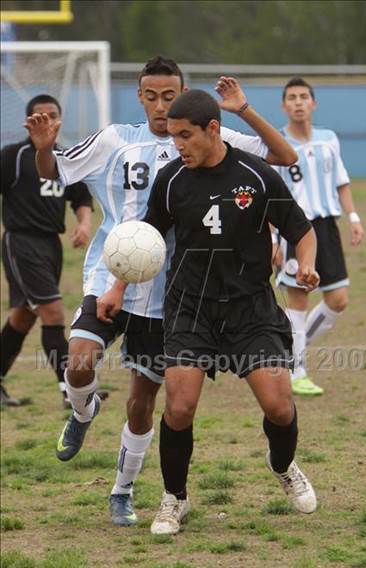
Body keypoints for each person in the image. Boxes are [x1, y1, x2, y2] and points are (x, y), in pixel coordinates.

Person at [25, 56, 298, 526]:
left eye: (168, 96)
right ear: (139, 96)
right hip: (110, 274)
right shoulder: (114, 139)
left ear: (183, 96)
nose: (159, 105)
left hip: (169, 291)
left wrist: (243, 110)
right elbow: (54, 175)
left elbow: (281, 155)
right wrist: (45, 150)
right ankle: (83, 409)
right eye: (150, 96)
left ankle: (123, 491)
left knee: (141, 403)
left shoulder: (209, 134)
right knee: (79, 359)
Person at [131, 88, 319, 535]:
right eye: (173, 136)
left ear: (212, 130)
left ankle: (284, 465)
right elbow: (145, 237)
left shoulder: (254, 175)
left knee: (278, 406)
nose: (176, 144)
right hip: (190, 306)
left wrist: (306, 264)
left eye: (184, 135)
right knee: (179, 407)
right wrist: (119, 283)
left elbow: (301, 228)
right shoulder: (172, 179)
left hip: (249, 306)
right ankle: (175, 498)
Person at [0, 94, 95, 409]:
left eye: (52, 115)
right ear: (28, 123)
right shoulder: (13, 156)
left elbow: (81, 198)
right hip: (21, 241)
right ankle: (70, 390)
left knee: (23, 317)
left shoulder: (65, 157)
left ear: (60, 119)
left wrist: (83, 224)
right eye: (39, 117)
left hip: (50, 245)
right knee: (53, 312)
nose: (46, 121)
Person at [273, 77, 364, 396]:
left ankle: (289, 348)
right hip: (295, 230)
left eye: (303, 97)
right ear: (283, 106)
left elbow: (342, 181)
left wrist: (353, 216)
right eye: (292, 98)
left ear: (313, 103)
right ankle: (296, 372)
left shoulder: (329, 139)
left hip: (327, 227)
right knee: (298, 300)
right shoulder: (277, 144)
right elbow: (272, 196)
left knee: (338, 299)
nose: (298, 102)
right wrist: (273, 239)